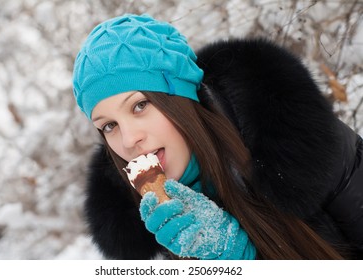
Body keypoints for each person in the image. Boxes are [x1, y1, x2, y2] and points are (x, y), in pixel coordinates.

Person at [72, 14, 363, 259]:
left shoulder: (295, 139)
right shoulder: (149, 222)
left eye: (140, 105)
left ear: (180, 96)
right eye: (109, 126)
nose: (128, 140)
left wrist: (242, 257)